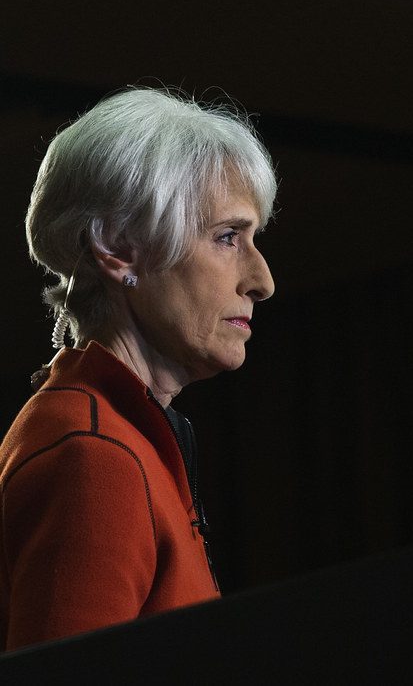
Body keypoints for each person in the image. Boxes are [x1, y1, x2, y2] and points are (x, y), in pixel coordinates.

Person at [0, 87, 277, 651]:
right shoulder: (95, 455)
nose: (262, 281)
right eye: (228, 237)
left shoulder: (116, 435)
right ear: (118, 248)